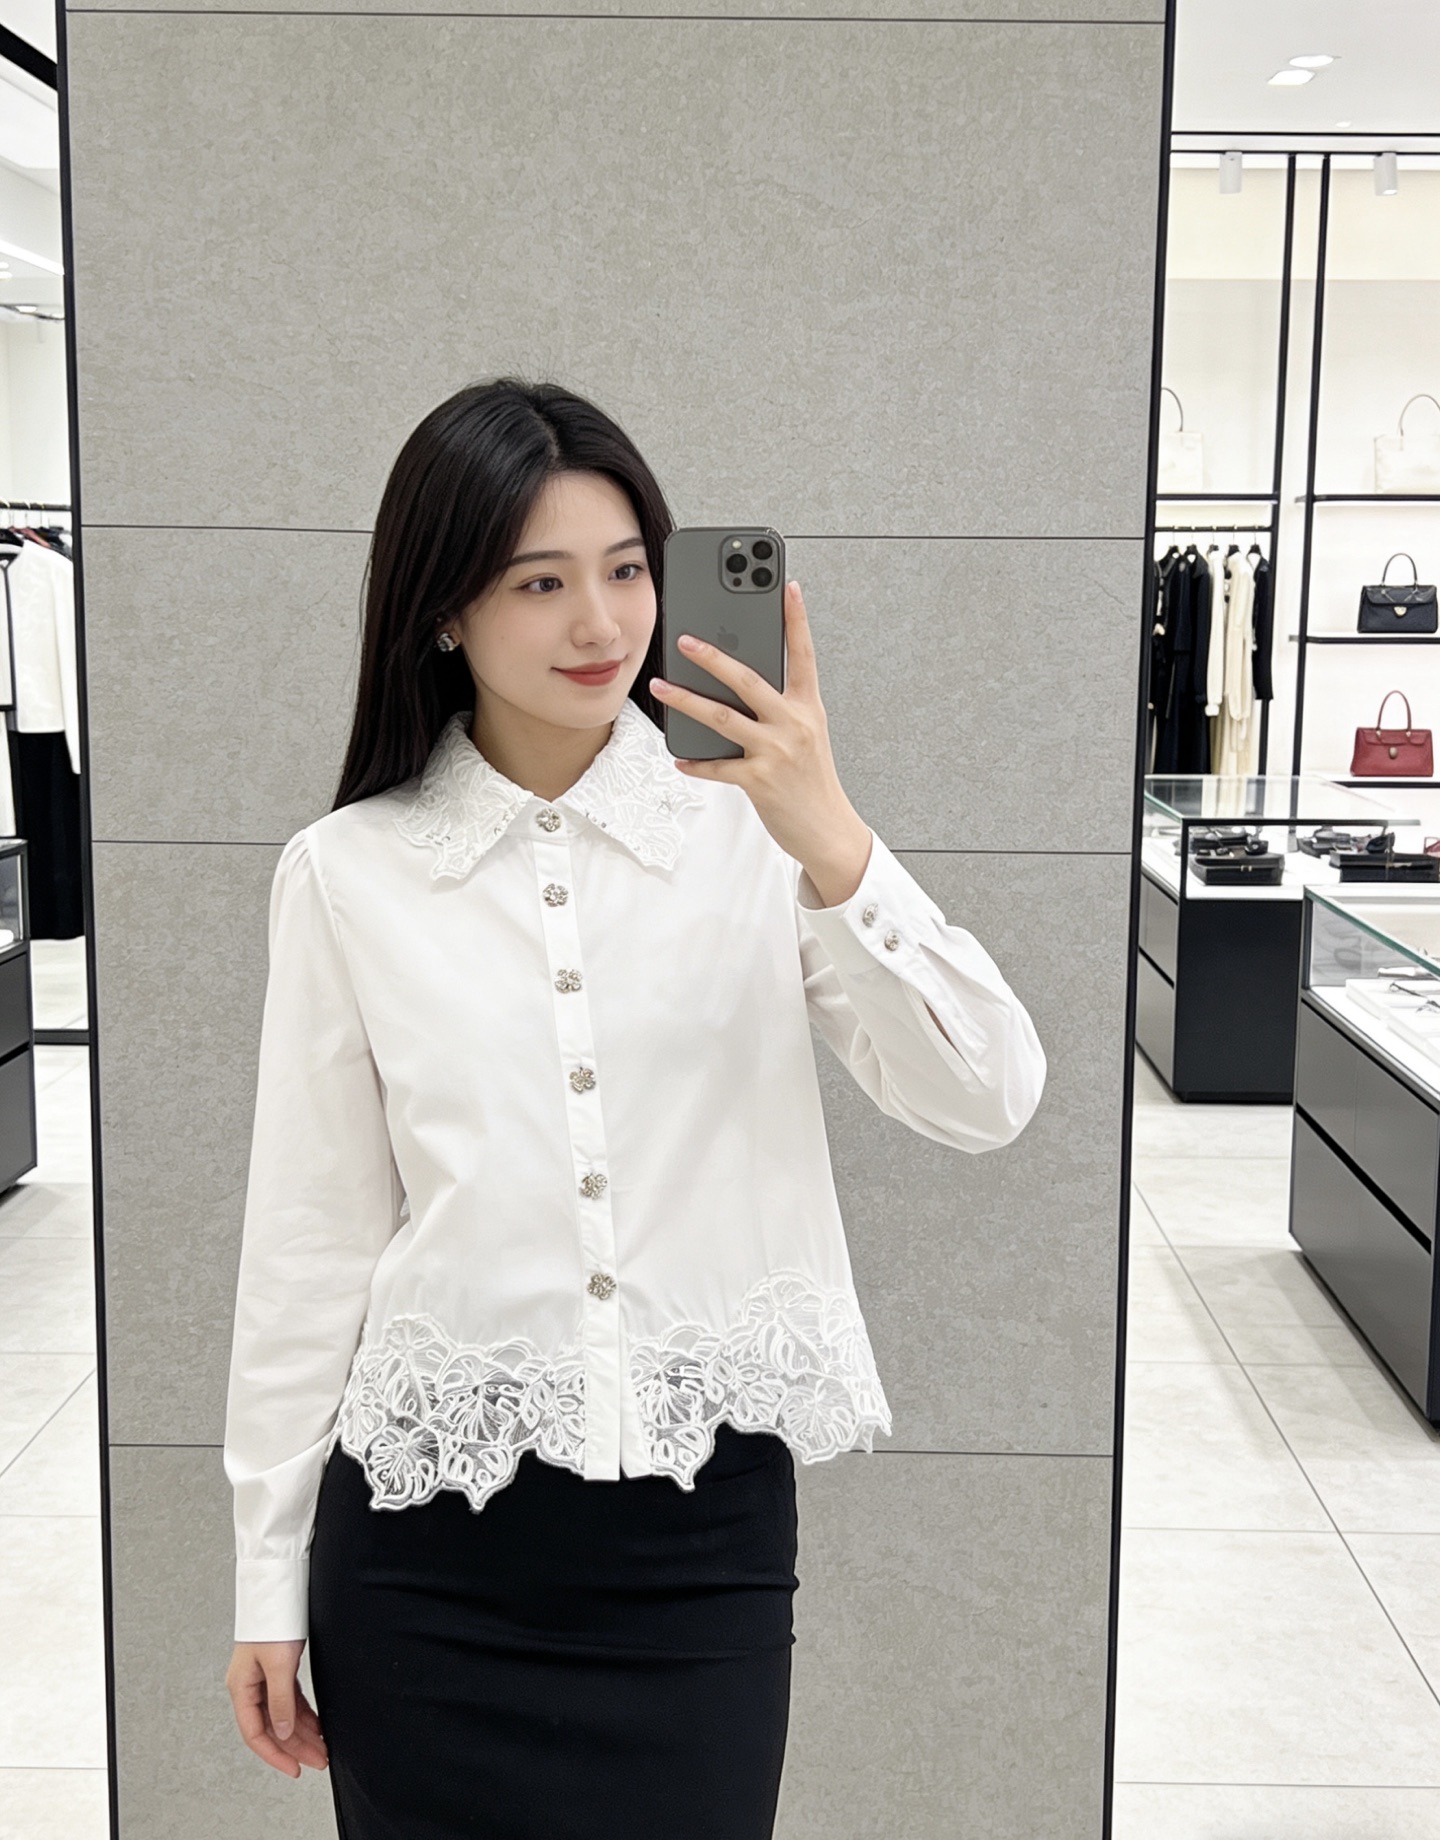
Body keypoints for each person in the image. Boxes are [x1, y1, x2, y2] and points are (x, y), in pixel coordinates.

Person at [222, 378, 1046, 1840]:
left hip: (698, 1558)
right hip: (420, 1566)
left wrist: (836, 840)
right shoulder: (346, 873)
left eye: (624, 570)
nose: (600, 623)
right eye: (539, 582)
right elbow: (309, 1248)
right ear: (444, 611)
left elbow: (989, 1094)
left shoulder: (756, 839)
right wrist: (264, 1583)